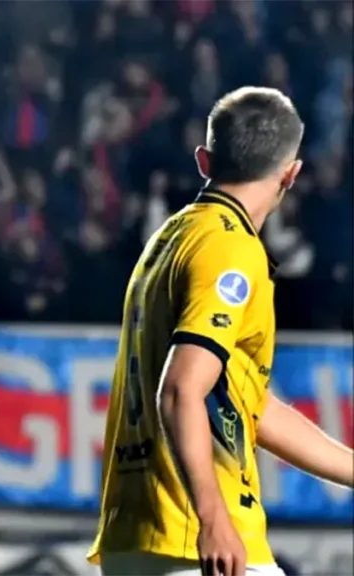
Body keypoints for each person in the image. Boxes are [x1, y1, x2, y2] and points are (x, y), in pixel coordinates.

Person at [87, 86, 354, 576]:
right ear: (291, 173)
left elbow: (247, 404)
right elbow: (181, 389)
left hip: (138, 536)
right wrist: (213, 518)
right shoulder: (231, 250)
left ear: (204, 160)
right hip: (199, 540)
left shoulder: (169, 238)